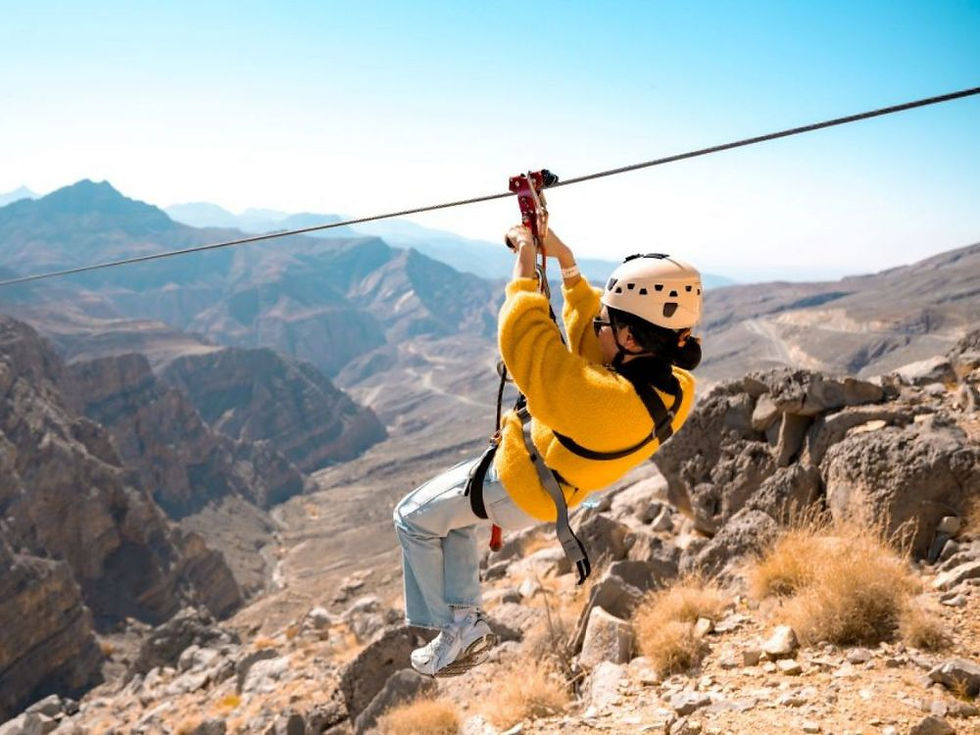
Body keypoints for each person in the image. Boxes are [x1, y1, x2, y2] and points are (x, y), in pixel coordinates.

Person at [392, 223, 702, 677]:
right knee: (454, 526)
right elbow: (593, 352)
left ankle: (451, 631)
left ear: (633, 339)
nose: (598, 323)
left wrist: (523, 266)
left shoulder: (599, 402)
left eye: (607, 321)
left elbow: (530, 346)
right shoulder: (675, 388)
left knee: (412, 518)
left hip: (515, 482)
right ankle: (466, 619)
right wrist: (568, 265)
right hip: (545, 490)